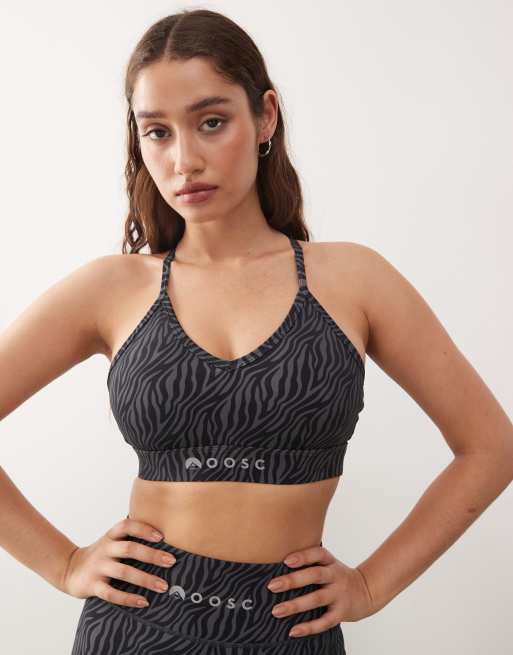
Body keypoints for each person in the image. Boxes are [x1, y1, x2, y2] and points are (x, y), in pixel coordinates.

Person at [1, 8, 512, 655]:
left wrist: (371, 584)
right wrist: (66, 563)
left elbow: (490, 446)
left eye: (211, 122)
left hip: (290, 634)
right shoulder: (113, 287)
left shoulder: (355, 280)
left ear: (265, 116)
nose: (184, 159)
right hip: (134, 630)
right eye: (157, 132)